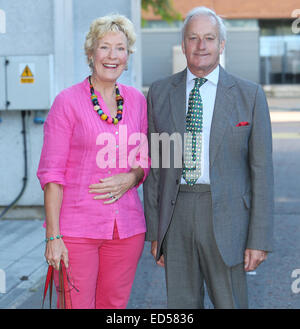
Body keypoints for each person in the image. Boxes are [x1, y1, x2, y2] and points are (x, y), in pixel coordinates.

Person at [143, 6, 274, 309]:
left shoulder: (249, 95)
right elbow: (157, 169)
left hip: (228, 219)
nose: (201, 46)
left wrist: (259, 239)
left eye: (209, 38)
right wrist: (155, 232)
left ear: (221, 45)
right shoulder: (160, 93)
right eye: (193, 38)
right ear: (184, 44)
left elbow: (263, 172)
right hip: (176, 217)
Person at [37, 14, 149, 309]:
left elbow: (144, 159)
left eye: (120, 48)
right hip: (76, 231)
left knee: (114, 306)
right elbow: (51, 175)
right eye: (104, 47)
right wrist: (53, 236)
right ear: (90, 53)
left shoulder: (137, 101)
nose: (112, 56)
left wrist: (132, 177)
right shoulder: (67, 102)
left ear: (128, 56)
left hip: (126, 229)